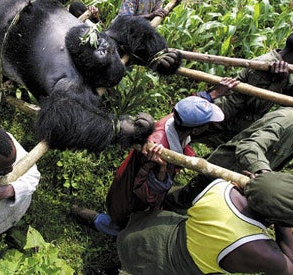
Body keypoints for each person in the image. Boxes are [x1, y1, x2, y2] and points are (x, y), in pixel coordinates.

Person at [71, 83, 235, 235]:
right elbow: (147, 194)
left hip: (127, 180)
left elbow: (187, 107)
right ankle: (92, 219)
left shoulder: (174, 120)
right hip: (130, 197)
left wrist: (212, 94)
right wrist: (162, 170)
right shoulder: (158, 151)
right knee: (122, 224)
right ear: (199, 128)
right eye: (208, 123)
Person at [169, 85, 293, 208]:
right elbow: (250, 146)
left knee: (205, 204)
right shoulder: (285, 122)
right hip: (225, 168)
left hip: (241, 176)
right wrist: (263, 171)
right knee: (188, 198)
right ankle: (155, 207)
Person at [117, 171, 293, 274]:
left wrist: (265, 190)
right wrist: (284, 223)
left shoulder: (219, 187)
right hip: (155, 267)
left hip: (147, 231)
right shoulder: (257, 247)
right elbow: (292, 271)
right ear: (275, 219)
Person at [199, 29, 293, 146]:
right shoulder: (265, 65)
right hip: (226, 120)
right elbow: (255, 104)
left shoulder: (284, 67)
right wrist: (279, 80)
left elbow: (290, 103)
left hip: (237, 123)